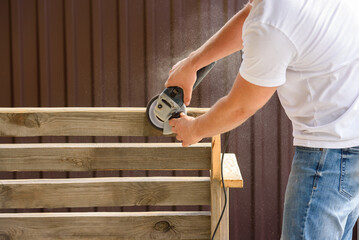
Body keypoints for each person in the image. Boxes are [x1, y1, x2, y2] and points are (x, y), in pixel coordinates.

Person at [167, 0, 359, 239]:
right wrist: (193, 62)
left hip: (329, 157)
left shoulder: (272, 23)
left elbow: (239, 107)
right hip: (349, 145)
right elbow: (252, 13)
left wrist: (195, 129)